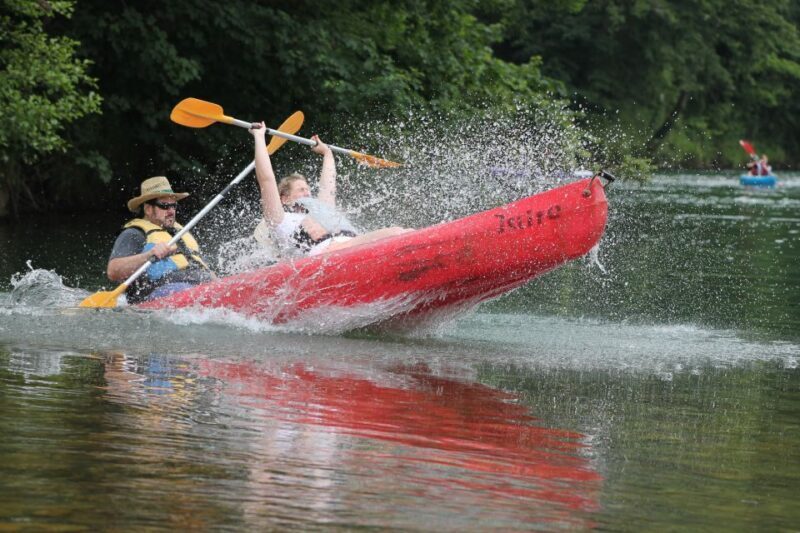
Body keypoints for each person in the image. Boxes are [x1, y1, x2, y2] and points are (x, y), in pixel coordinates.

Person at [250, 122, 410, 257]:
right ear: (285, 199)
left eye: (307, 189)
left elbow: (328, 186)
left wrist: (327, 153)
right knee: (397, 234)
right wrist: (259, 137)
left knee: (404, 232)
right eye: (301, 190)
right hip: (328, 258)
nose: (307, 193)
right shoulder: (279, 219)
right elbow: (266, 180)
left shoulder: (320, 212)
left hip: (351, 246)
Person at [107, 176, 215, 304]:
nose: (171, 211)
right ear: (148, 209)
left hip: (198, 285)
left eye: (173, 205)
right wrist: (149, 254)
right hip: (159, 293)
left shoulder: (179, 232)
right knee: (190, 290)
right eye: (164, 206)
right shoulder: (134, 234)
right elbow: (113, 271)